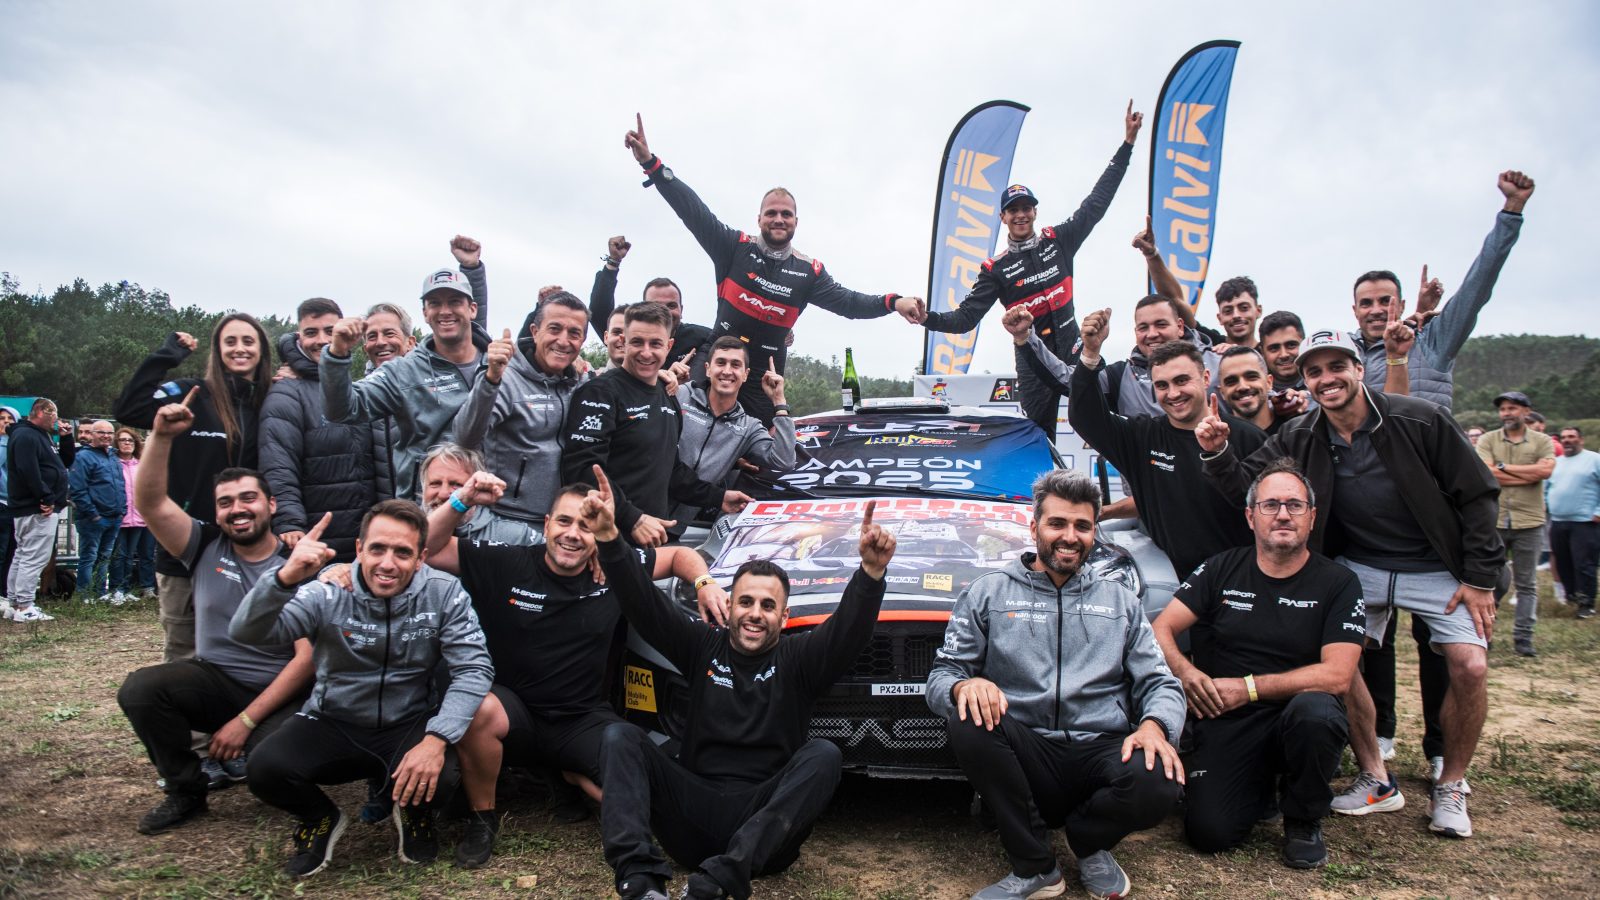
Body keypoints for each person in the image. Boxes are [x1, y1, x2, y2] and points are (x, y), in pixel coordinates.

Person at [1197, 329, 1501, 839]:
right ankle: (1376, 776)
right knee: (1340, 660)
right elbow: (1249, 488)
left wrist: (1479, 577)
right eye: (1314, 371)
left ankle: (1451, 782)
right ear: (1305, 381)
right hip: (1362, 564)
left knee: (1470, 664)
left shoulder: (1420, 419)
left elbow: (1478, 494)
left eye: (1337, 366)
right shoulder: (1302, 433)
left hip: (1438, 565)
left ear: (1360, 369)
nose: (1327, 378)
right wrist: (1216, 451)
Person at [583, 466, 891, 900]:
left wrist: (871, 574)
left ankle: (717, 884)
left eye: (768, 605)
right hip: (691, 814)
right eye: (745, 601)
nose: (755, 613)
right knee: (619, 736)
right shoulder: (701, 645)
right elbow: (643, 603)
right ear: (729, 606)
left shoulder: (799, 658)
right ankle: (639, 882)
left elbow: (848, 633)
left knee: (824, 754)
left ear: (784, 616)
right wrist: (610, 539)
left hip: (763, 828)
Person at [420, 469, 730, 867]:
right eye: (564, 522)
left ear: (598, 534)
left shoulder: (613, 568)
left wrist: (706, 583)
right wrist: (462, 498)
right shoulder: (507, 561)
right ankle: (483, 818)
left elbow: (678, 555)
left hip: (580, 719)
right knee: (480, 707)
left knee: (637, 786)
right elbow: (428, 547)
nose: (572, 534)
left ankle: (567, 774)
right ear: (546, 524)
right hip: (515, 716)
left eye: (585, 526)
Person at [928, 469, 1183, 900]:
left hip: (1100, 750)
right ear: (1034, 528)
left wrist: (1155, 725)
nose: (1070, 536)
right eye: (1057, 523)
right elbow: (942, 675)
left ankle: (1088, 841)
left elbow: (1160, 682)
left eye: (1082, 526)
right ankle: (1036, 868)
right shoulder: (988, 593)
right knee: (968, 718)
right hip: (1026, 755)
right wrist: (962, 688)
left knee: (1159, 777)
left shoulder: (1120, 601)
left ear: (1094, 532)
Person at [231, 500, 495, 878]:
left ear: (421, 558)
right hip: (333, 719)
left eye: (402, 552)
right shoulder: (327, 591)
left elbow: (474, 667)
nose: (388, 563)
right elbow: (247, 632)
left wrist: (436, 739)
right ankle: (320, 818)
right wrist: (283, 579)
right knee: (264, 768)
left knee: (443, 774)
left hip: (407, 720)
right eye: (377, 549)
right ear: (359, 549)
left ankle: (415, 814)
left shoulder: (443, 592)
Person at [624, 114, 924, 426]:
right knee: (675, 421)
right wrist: (651, 164)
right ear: (759, 219)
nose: (778, 219)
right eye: (771, 213)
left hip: (763, 374)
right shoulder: (734, 247)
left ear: (796, 222)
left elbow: (850, 303)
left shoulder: (809, 272)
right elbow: (693, 212)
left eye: (786, 214)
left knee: (763, 445)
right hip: (719, 357)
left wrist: (893, 302)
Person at [1152, 459, 1365, 868]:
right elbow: (1161, 629)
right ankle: (1260, 787)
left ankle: (1303, 818)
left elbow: (1338, 675)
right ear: (1251, 517)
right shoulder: (1220, 567)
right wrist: (1187, 672)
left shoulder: (1339, 582)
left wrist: (1248, 688)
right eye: (1270, 505)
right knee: (1209, 833)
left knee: (1317, 713)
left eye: (1294, 505)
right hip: (1228, 716)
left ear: (1311, 517)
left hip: (1296, 712)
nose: (1283, 514)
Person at [119, 387, 313, 834]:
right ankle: (185, 790)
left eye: (248, 498)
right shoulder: (204, 544)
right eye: (225, 502)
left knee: (270, 764)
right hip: (215, 682)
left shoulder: (297, 562)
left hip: (283, 694)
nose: (237, 509)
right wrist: (160, 437)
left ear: (271, 505)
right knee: (142, 689)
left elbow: (306, 661)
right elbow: (151, 503)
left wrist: (245, 722)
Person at [919, 105, 1143, 434]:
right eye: (1013, 211)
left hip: (1074, 350)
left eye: (1026, 208)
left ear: (1035, 212)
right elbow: (965, 318)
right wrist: (927, 318)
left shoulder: (1060, 240)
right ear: (1003, 218)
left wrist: (1127, 145)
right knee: (1039, 438)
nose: (1020, 215)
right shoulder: (996, 269)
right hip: (1033, 363)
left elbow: (1096, 203)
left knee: (1113, 420)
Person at [1037, 305, 1268, 580]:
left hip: (1240, 581)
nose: (1173, 393)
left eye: (1182, 381)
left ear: (1206, 378)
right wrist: (1090, 353)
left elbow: (1270, 515)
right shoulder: (1142, 437)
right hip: (1173, 584)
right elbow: (1085, 416)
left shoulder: (1248, 438)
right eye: (1162, 385)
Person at [114, 313, 274, 661]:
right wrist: (168, 355)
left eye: (248, 341)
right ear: (217, 350)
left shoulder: (270, 401)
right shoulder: (192, 393)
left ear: (262, 350)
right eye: (230, 341)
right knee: (185, 653)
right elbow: (128, 408)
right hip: (186, 545)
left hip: (250, 549)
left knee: (250, 651)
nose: (240, 348)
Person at [560, 303, 751, 549]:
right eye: (637, 342)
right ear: (624, 342)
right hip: (600, 541)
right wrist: (633, 518)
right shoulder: (599, 392)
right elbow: (582, 470)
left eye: (656, 344)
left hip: (649, 542)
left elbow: (670, 469)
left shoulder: (668, 397)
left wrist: (719, 497)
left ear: (669, 346)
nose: (646, 352)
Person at [320, 239, 491, 502]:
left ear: (472, 309)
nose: (445, 311)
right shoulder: (403, 372)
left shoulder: (496, 364)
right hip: (429, 505)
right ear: (425, 313)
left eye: (455, 301)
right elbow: (342, 410)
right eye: (435, 303)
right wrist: (336, 354)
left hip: (490, 503)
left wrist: (472, 270)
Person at [1349, 171, 1535, 412]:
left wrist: (1512, 209)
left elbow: (1477, 286)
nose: (1376, 310)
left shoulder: (1432, 341)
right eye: (1366, 303)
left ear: (1402, 306)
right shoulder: (1343, 353)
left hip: (1426, 438)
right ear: (1355, 311)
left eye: (1386, 301)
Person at [452, 291, 587, 530]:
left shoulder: (578, 383)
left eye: (574, 333)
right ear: (535, 332)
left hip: (559, 522)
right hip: (505, 518)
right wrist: (491, 379)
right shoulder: (506, 378)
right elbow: (465, 438)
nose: (563, 341)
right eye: (554, 329)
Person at [260, 298, 380, 563]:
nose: (322, 340)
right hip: (318, 537)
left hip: (362, 536)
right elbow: (278, 464)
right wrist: (289, 521)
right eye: (311, 333)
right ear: (298, 337)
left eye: (329, 331)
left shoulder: (353, 388)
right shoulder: (286, 393)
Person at [670, 337, 796, 530]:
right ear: (707, 369)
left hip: (677, 528)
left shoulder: (748, 427)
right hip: (638, 514)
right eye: (721, 363)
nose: (727, 371)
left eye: (735, 365)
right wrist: (660, 385)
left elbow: (784, 460)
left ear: (745, 374)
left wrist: (779, 402)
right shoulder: (679, 394)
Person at [1477, 391, 1554, 656]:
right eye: (1503, 409)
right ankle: (1485, 634)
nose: (1506, 413)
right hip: (1495, 519)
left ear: (1526, 412)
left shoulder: (1542, 440)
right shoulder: (1488, 439)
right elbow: (1485, 472)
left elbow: (1545, 471)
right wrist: (1528, 474)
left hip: (1530, 521)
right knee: (1491, 581)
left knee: (1526, 584)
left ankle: (1524, 638)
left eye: (1512, 408)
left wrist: (1502, 468)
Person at [591, 236, 708, 368]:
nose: (665, 312)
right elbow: (598, 312)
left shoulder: (701, 337)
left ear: (681, 310)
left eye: (671, 305)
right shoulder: (631, 337)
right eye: (656, 306)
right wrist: (613, 262)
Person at [5, 399, 70, 622]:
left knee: (24, 554)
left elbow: (64, 463)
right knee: (34, 556)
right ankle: (24, 605)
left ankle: (15, 603)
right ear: (42, 412)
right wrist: (45, 496)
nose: (56, 419)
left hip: (35, 506)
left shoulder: (40, 436)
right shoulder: (26, 435)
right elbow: (27, 469)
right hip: (36, 507)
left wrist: (66, 438)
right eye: (54, 414)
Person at [361, 301, 420, 500]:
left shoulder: (433, 386)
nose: (380, 342)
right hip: (384, 512)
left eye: (389, 333)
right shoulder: (360, 396)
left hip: (430, 507)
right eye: (372, 336)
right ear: (365, 347)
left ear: (410, 342)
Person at [68, 420, 126, 599]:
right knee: (89, 557)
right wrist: (93, 515)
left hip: (114, 516)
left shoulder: (113, 456)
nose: (106, 436)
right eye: (101, 432)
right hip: (92, 518)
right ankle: (84, 596)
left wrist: (122, 509)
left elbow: (119, 484)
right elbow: (78, 489)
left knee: (104, 557)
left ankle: (100, 593)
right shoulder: (83, 457)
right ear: (92, 434)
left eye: (109, 433)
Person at [1549, 427, 1600, 619]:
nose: (1567, 440)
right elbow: (1547, 487)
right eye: (1563, 437)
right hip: (1558, 521)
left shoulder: (1594, 459)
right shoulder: (1556, 462)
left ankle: (1587, 604)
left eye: (1571, 437)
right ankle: (1572, 596)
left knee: (1584, 564)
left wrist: (1598, 512)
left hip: (1585, 522)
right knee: (1563, 562)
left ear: (1581, 440)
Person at [110, 427, 156, 600]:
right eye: (123, 440)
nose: (127, 443)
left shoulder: (142, 464)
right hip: (121, 516)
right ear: (116, 443)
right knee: (120, 555)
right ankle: (118, 588)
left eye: (130, 440)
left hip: (141, 516)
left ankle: (143, 588)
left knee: (141, 554)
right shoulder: (113, 464)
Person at [1258, 311, 1308, 395]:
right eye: (1274, 348)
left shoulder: (1324, 384)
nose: (1284, 355)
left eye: (1291, 345)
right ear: (1262, 352)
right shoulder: (1254, 392)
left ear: (1305, 344)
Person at [1213, 276, 1262, 350]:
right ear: (1219, 318)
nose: (1236, 315)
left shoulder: (1270, 352)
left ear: (1258, 311)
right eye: (1228, 311)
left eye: (1244, 308)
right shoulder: (1209, 349)